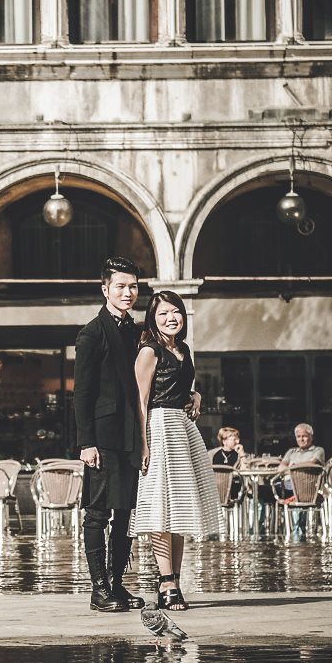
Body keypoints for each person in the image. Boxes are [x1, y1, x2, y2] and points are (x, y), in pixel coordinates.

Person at [130, 290, 222, 611]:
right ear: (153, 320)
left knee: (179, 512)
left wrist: (195, 396)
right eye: (163, 314)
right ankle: (165, 580)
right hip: (158, 428)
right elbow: (140, 401)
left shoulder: (182, 349)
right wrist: (142, 442)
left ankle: (175, 581)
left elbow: (180, 387)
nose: (171, 318)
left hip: (182, 429)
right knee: (159, 509)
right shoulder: (149, 351)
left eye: (176, 312)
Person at [74, 256, 145, 613]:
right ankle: (98, 588)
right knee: (97, 514)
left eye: (133, 286)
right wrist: (86, 443)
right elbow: (82, 394)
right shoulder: (92, 333)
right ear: (105, 289)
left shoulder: (137, 331)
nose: (128, 292)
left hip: (131, 434)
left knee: (125, 512)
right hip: (102, 437)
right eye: (120, 286)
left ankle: (117, 584)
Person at [212, 427, 249, 503]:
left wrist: (242, 454)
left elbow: (245, 470)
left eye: (238, 439)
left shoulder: (238, 454)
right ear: (224, 441)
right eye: (234, 439)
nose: (238, 441)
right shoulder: (214, 455)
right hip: (218, 490)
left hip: (234, 488)